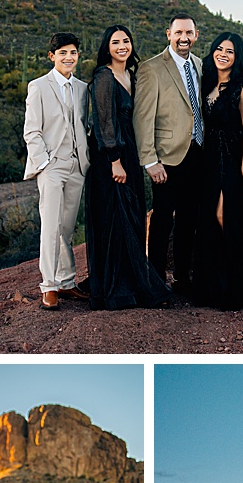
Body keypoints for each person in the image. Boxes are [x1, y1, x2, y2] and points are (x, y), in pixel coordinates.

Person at [84, 24, 172, 311]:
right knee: (116, 218)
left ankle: (132, 283)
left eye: (126, 41)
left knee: (132, 217)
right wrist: (114, 161)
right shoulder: (104, 76)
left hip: (131, 151)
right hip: (112, 156)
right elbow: (104, 121)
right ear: (106, 47)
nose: (122, 46)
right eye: (115, 42)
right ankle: (117, 289)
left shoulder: (131, 74)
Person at [192, 32, 243, 310]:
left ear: (237, 57)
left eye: (230, 51)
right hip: (211, 160)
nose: (223, 54)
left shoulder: (241, 85)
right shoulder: (208, 82)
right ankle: (213, 288)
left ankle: (238, 289)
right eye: (219, 49)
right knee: (210, 219)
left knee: (228, 217)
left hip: (236, 159)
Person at [135, 11, 205, 294]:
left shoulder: (200, 64)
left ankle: (183, 278)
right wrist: (150, 160)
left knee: (189, 217)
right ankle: (155, 279)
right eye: (178, 33)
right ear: (169, 34)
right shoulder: (152, 68)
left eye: (189, 33)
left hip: (197, 153)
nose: (184, 38)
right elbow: (143, 118)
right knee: (163, 218)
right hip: (166, 157)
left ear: (196, 35)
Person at [23, 31, 89, 311]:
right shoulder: (38, 86)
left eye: (72, 52)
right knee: (50, 227)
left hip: (77, 165)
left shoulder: (83, 88)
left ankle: (67, 281)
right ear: (52, 56)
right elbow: (32, 131)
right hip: (51, 167)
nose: (68, 57)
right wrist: (45, 163)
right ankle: (48, 286)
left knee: (66, 227)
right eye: (62, 53)